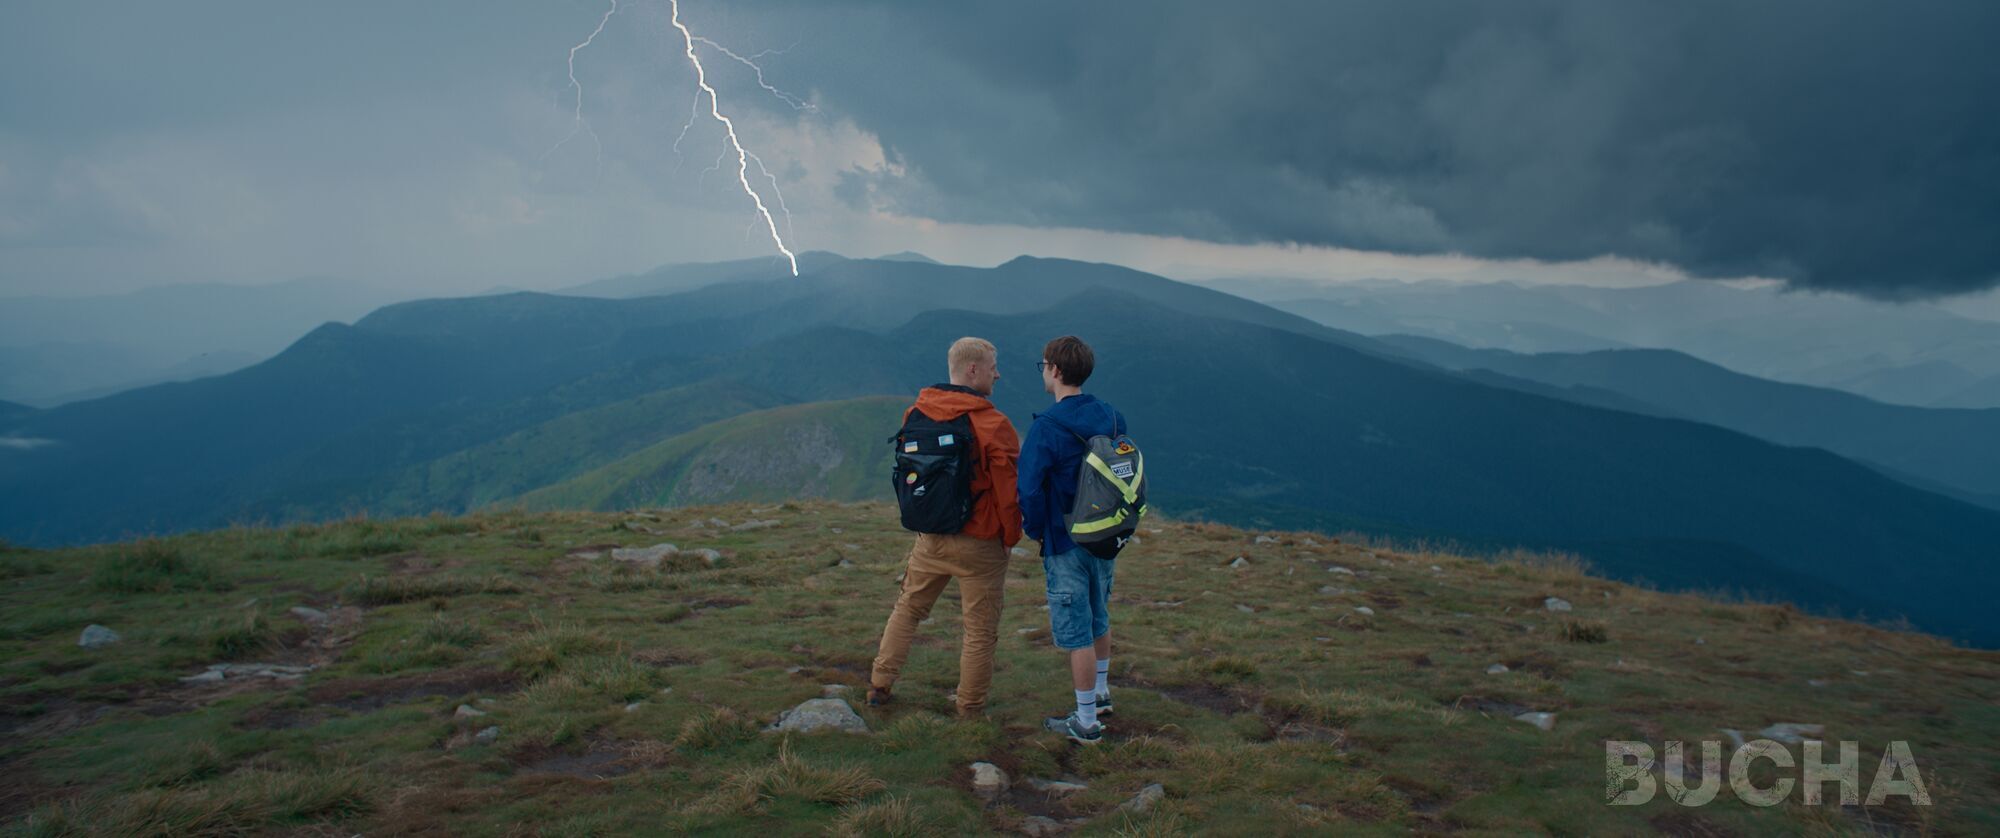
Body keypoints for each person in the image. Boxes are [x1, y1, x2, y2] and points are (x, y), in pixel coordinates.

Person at [868, 337, 1022, 718]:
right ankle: (969, 708)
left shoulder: (916, 413)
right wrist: (1010, 537)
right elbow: (1009, 492)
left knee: (908, 609)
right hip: (980, 542)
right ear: (973, 370)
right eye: (992, 366)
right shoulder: (992, 424)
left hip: (931, 537)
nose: (997, 373)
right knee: (980, 630)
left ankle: (879, 685)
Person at [1018, 335, 1127, 745]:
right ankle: (1100, 694)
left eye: (1043, 364)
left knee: (1076, 629)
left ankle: (1085, 722)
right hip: (1106, 536)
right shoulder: (1113, 417)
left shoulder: (1047, 427)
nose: (1043, 371)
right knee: (1099, 613)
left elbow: (1028, 489)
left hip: (1065, 541)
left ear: (1056, 370)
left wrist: (1035, 530)